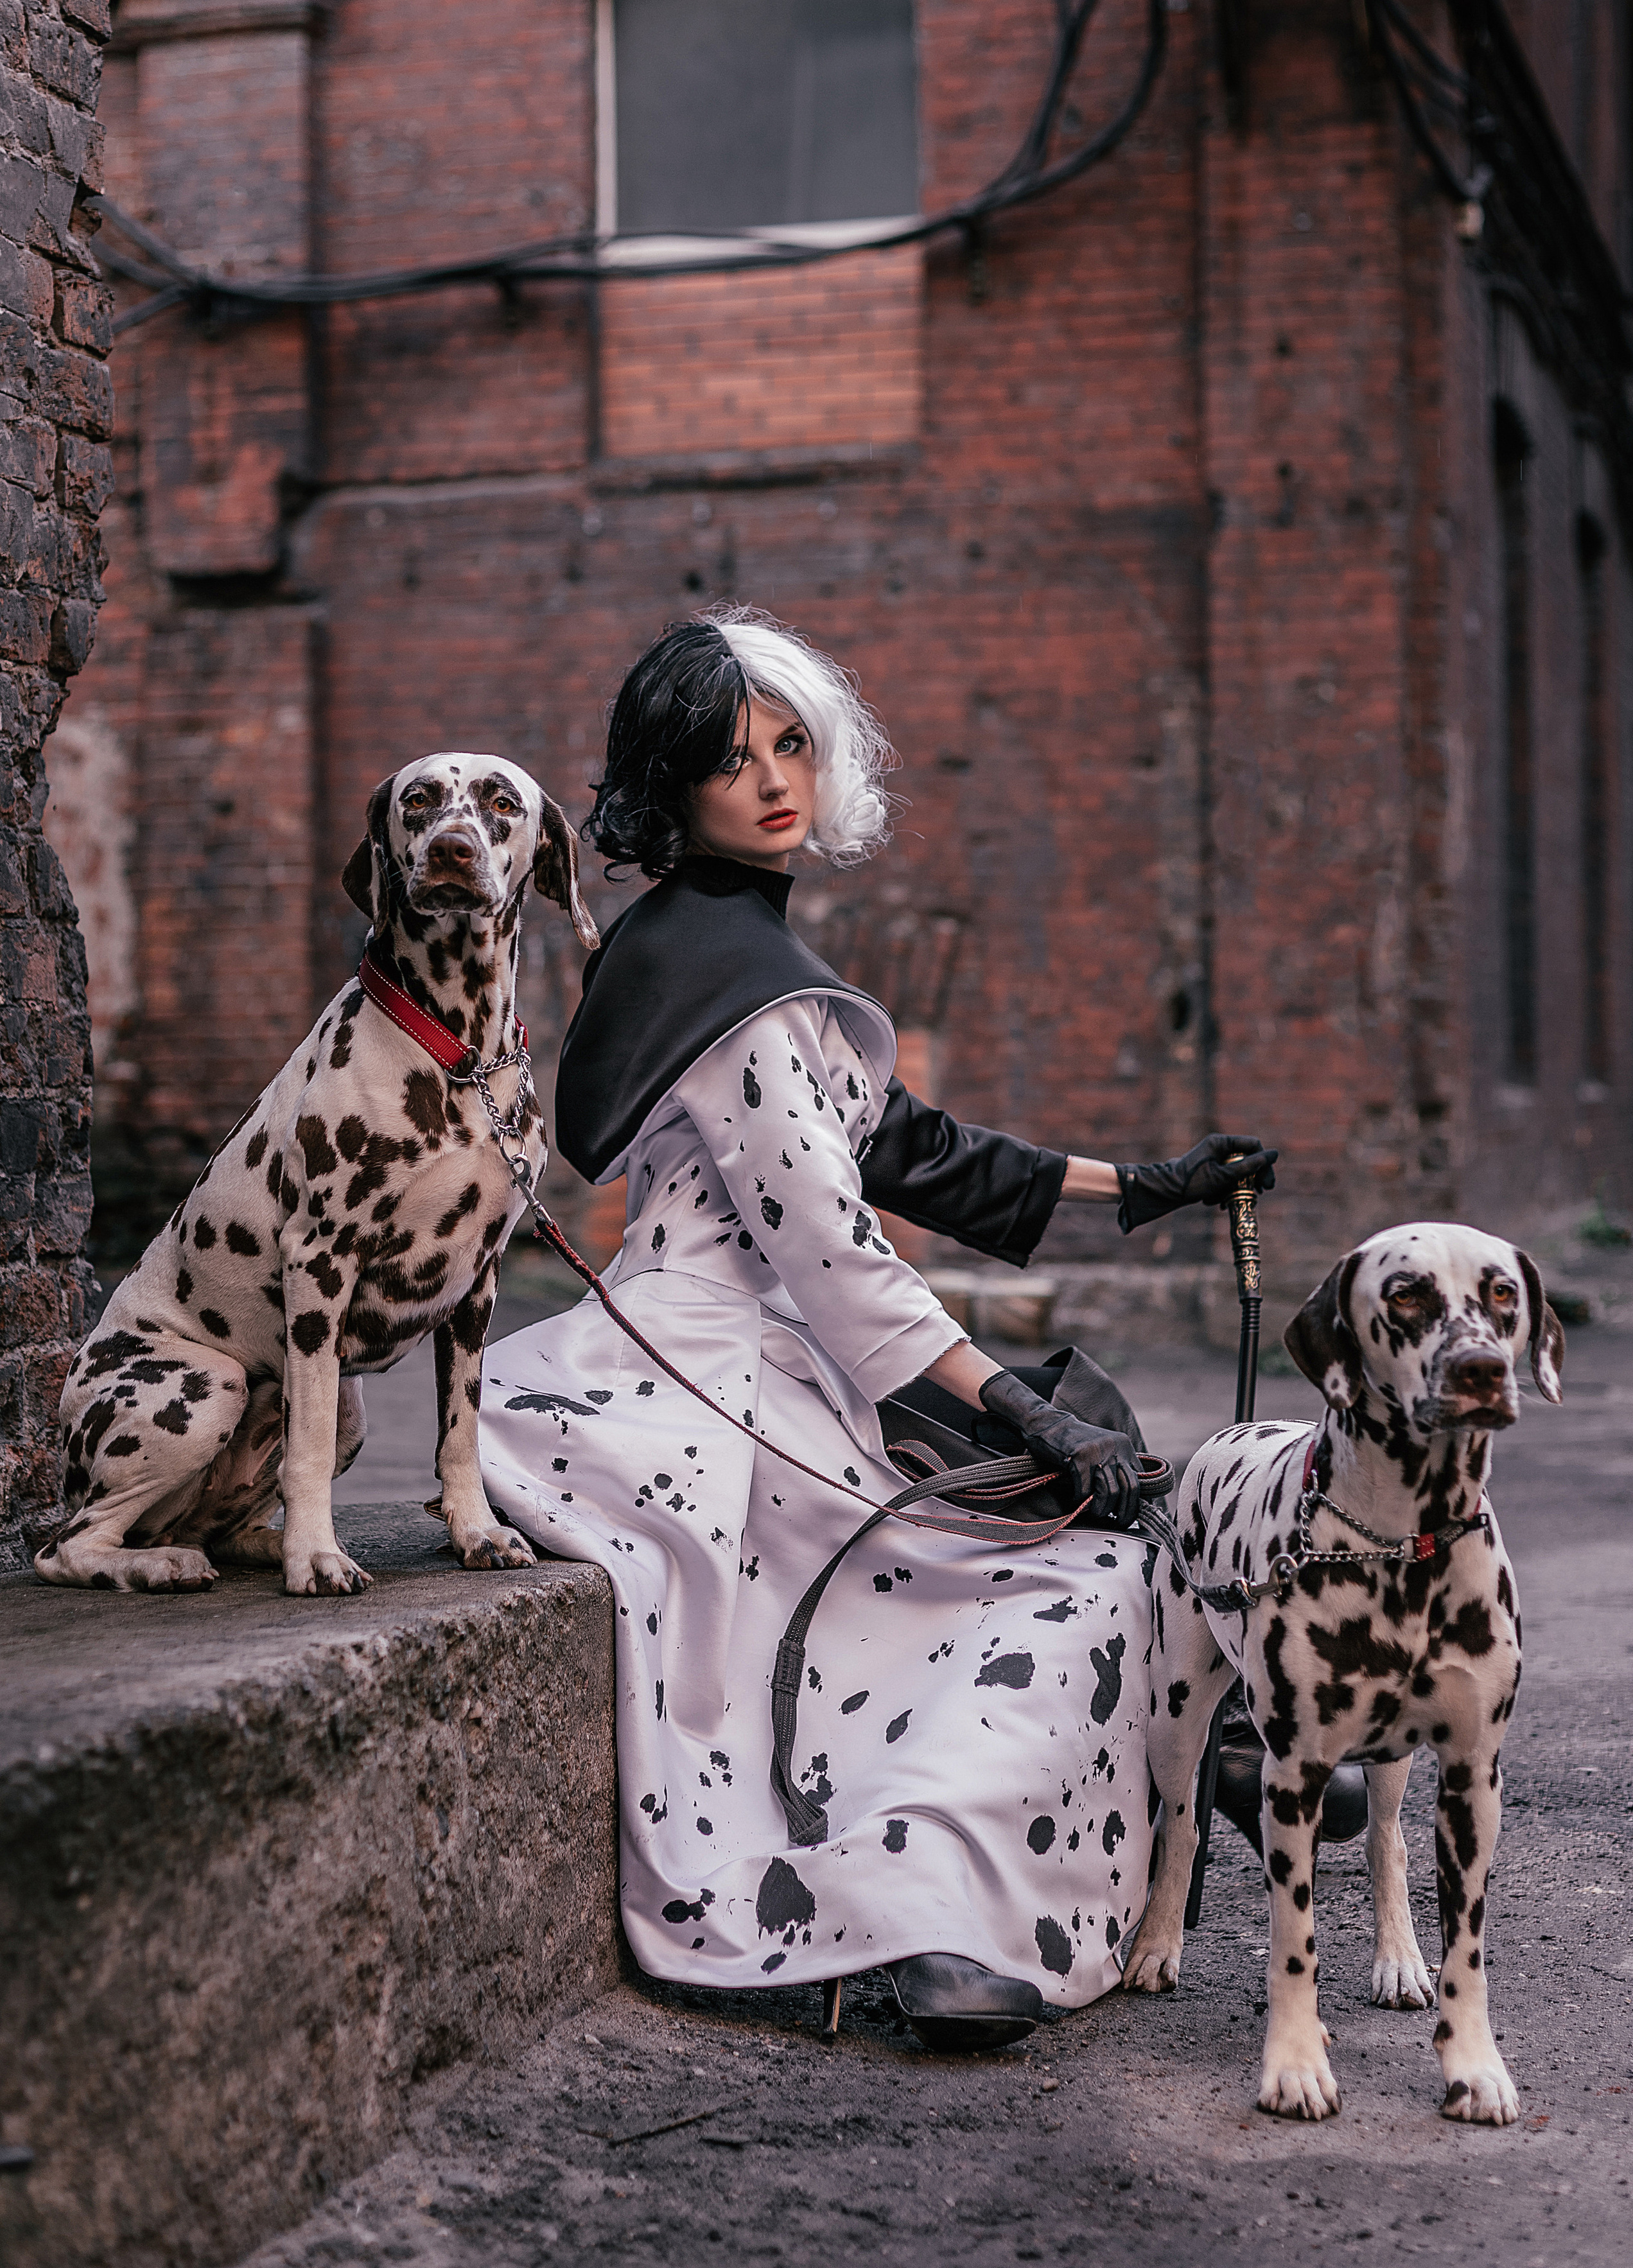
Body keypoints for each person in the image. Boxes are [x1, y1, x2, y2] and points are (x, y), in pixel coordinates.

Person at [477, 609, 1276, 2050]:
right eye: (729, 760)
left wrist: (1148, 1188)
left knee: (1052, 1538)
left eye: (791, 743)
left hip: (768, 1363)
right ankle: (930, 1921)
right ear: (673, 785)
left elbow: (909, 1151)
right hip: (707, 1384)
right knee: (1052, 1587)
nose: (773, 780)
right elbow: (838, 1260)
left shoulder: (723, 949)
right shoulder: (734, 985)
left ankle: (1200, 1754)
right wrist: (1018, 1413)